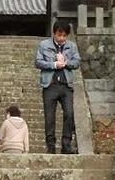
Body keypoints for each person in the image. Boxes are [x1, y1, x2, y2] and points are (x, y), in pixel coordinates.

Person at [35, 20, 81, 154]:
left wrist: (66, 62)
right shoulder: (44, 45)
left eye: (64, 36)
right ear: (54, 33)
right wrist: (54, 64)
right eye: (59, 35)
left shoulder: (71, 46)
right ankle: (50, 145)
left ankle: (66, 144)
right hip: (50, 84)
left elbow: (77, 61)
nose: (61, 39)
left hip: (66, 85)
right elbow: (38, 62)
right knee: (50, 117)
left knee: (69, 113)